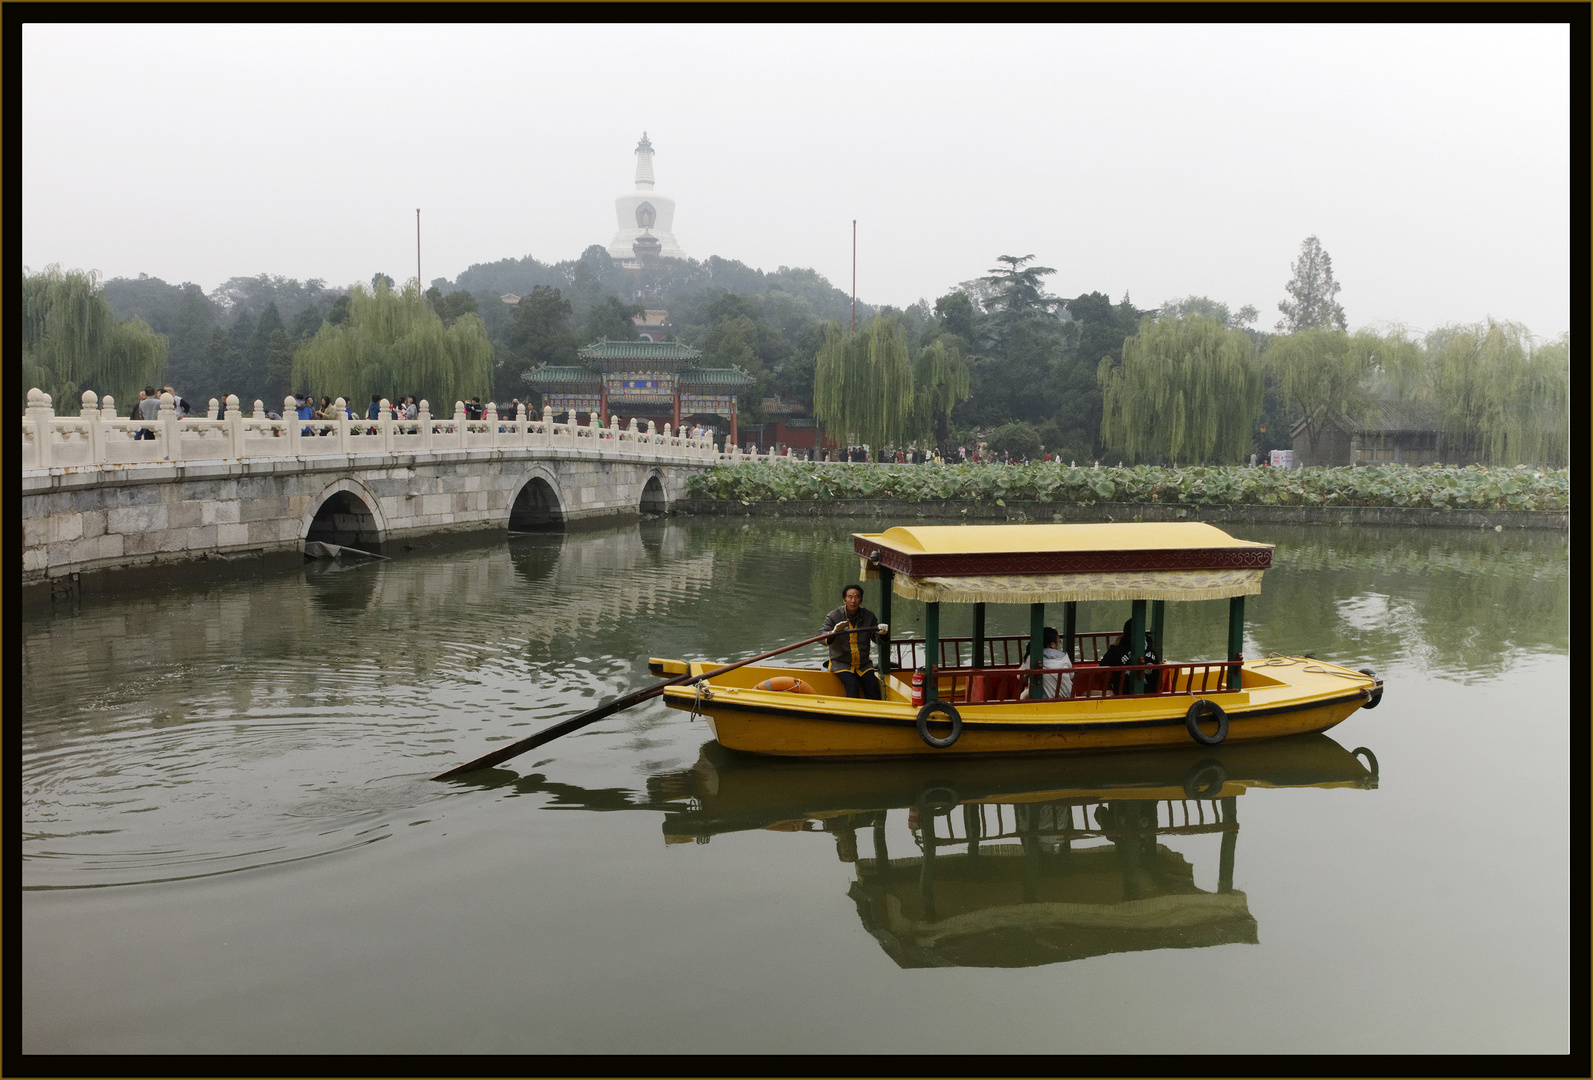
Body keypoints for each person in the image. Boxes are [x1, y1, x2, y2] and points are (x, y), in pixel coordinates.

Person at [821, 583, 887, 700]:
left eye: (857, 597)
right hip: (841, 663)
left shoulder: (869, 616)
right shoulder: (834, 616)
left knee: (873, 687)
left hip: (863, 664)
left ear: (861, 600)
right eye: (850, 597)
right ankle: (854, 716)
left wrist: (882, 634)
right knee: (852, 686)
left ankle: (874, 716)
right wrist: (833, 632)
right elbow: (821, 636)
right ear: (844, 600)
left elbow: (877, 639)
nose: (853, 600)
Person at [1101, 618, 1160, 694]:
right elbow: (1158, 678)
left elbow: (1103, 666)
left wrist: (1114, 645)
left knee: (1085, 694)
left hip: (1123, 695)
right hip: (1151, 693)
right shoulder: (1150, 647)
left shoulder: (1118, 649)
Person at [1021, 626, 1073, 699]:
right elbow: (1071, 675)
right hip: (1067, 696)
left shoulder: (1033, 657)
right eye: (1058, 642)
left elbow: (1019, 676)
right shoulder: (1065, 657)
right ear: (1052, 644)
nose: (1059, 644)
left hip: (1044, 698)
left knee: (1024, 695)